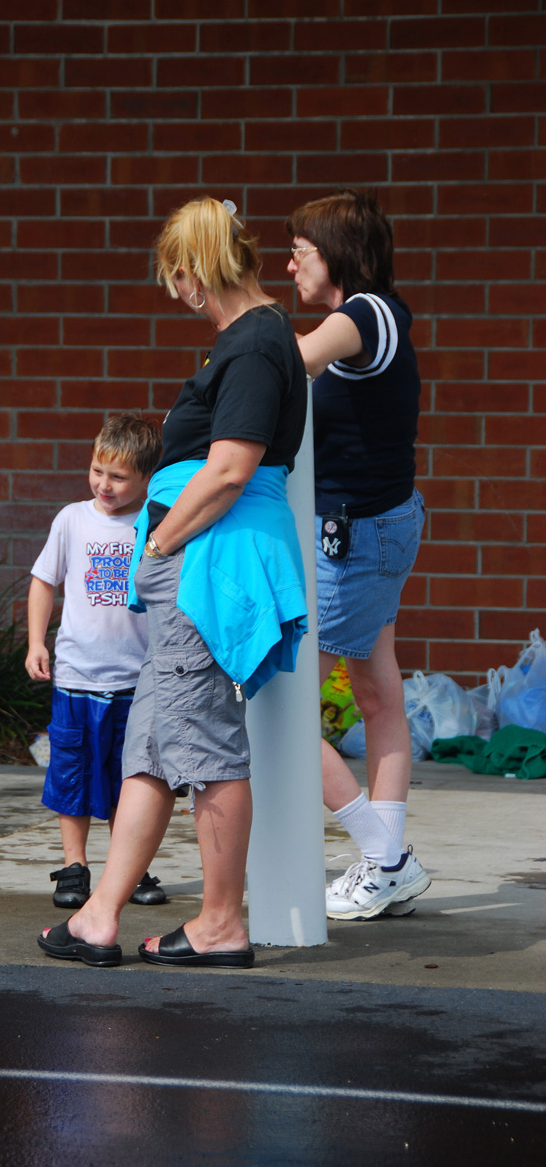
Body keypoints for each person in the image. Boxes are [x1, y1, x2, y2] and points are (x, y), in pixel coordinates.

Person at [36, 197, 308, 968]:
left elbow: (228, 469)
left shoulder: (253, 345)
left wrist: (157, 540)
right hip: (194, 564)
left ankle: (221, 921)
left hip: (205, 564)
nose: (176, 293)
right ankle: (99, 915)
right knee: (151, 750)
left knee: (207, 748)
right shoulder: (253, 342)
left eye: (174, 279)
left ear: (192, 274)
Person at [286, 187, 429, 921]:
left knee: (281, 705)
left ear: (334, 255)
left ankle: (385, 858)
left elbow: (285, 367)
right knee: (375, 694)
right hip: (371, 529)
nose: (289, 266)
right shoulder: (376, 319)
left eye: (299, 252)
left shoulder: (363, 314)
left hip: (359, 537)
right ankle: (386, 858)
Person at [25, 412, 169, 910]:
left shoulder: (157, 520)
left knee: (132, 779)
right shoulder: (72, 519)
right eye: (97, 471)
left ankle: (129, 866)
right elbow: (44, 580)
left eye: (119, 476)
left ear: (147, 478)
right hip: (77, 678)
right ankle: (75, 865)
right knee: (73, 772)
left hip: (137, 680)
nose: (103, 485)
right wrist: (35, 642)